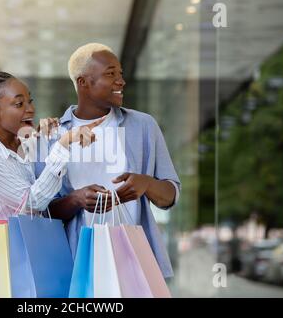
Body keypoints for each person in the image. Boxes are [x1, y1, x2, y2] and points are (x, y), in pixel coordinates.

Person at [36, 43, 181, 279]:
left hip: (134, 261)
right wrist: (76, 199)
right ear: (83, 82)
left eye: (121, 74)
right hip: (77, 264)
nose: (121, 81)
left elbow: (171, 195)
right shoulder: (53, 136)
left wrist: (146, 183)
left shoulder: (144, 126)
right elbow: (41, 209)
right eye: (110, 74)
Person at [0, 71, 105, 298]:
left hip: (33, 253)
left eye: (30, 101)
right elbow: (31, 201)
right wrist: (63, 145)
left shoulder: (24, 144)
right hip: (0, 262)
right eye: (19, 103)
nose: (30, 109)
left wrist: (46, 140)